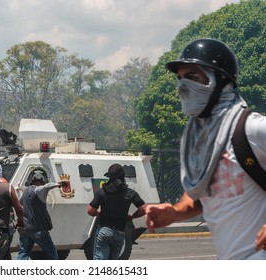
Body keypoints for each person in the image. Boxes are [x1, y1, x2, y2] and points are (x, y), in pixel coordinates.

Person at [145, 38, 266, 260]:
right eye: (180, 79)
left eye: (192, 78)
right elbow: (201, 196)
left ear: (220, 81)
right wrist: (176, 212)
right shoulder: (200, 141)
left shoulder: (252, 128)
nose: (182, 86)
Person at [87, 163, 146, 260]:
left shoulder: (101, 192)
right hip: (120, 233)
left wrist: (98, 213)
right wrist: (132, 216)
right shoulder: (130, 193)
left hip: (104, 232)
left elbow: (90, 210)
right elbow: (143, 209)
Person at [17, 167, 63, 260]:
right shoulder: (39, 190)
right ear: (43, 179)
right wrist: (59, 184)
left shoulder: (26, 191)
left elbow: (20, 203)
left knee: (23, 252)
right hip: (38, 229)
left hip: (26, 229)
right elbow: (47, 186)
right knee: (52, 252)